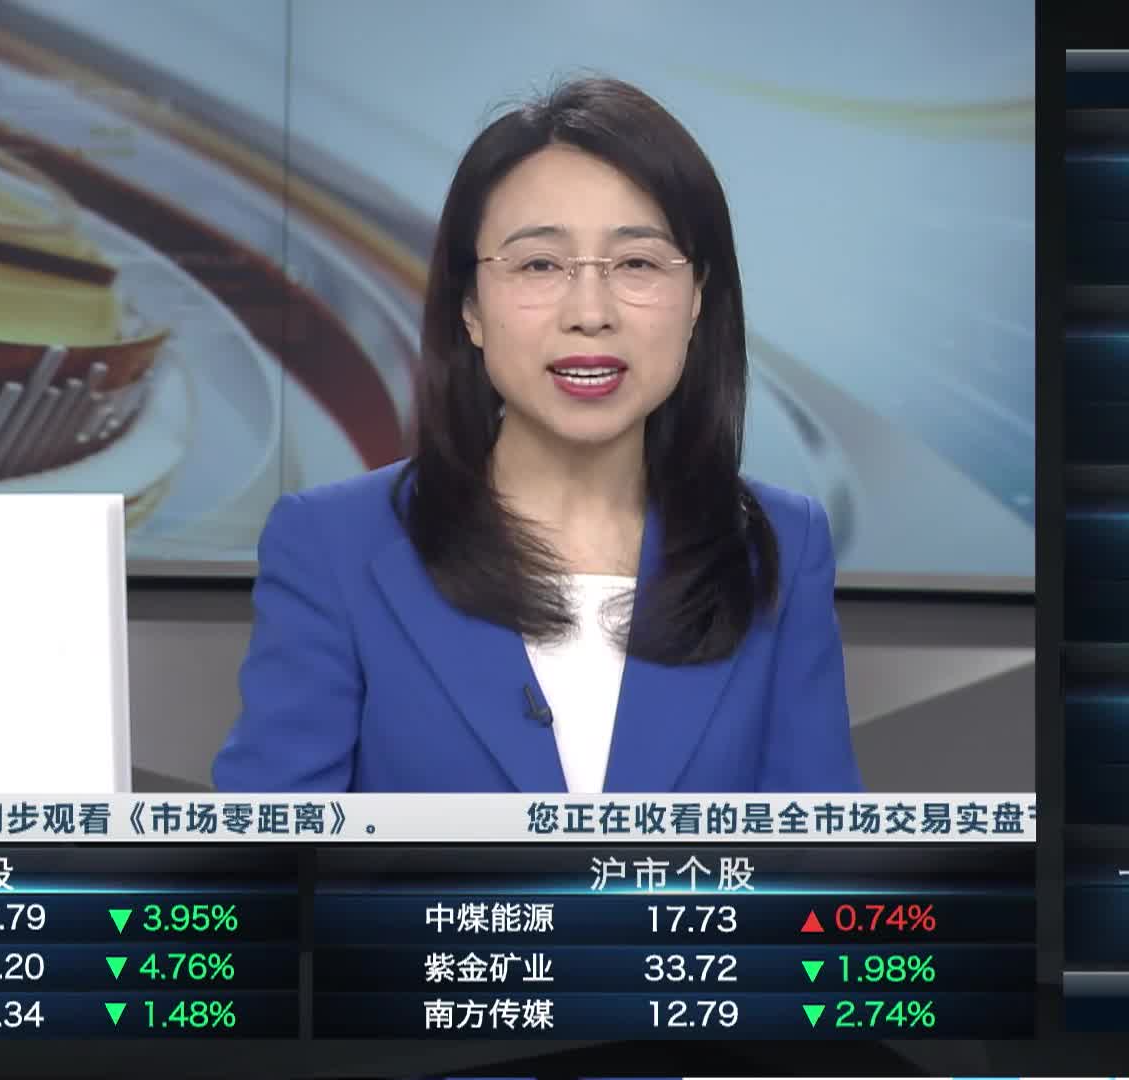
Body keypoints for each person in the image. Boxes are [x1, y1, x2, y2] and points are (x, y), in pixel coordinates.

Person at [212, 76, 860, 793]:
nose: (590, 312)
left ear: (698, 298)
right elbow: (273, 848)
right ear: (470, 305)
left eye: (637, 264)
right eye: (540, 265)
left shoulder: (778, 547)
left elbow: (815, 851)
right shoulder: (334, 544)